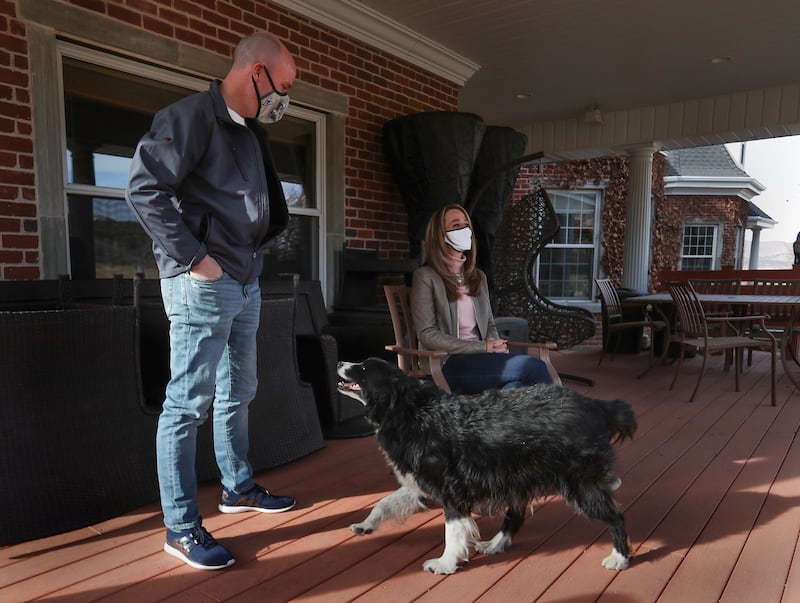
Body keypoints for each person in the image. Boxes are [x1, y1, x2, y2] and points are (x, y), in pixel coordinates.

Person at [126, 32, 297, 571]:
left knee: (238, 390)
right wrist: (197, 259)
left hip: (245, 280)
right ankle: (179, 526)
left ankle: (237, 488)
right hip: (204, 281)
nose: (285, 98)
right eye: (284, 86)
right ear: (256, 74)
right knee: (187, 403)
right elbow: (143, 188)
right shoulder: (192, 116)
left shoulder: (247, 130)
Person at [411, 204, 554, 394]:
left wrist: (495, 344)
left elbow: (488, 324)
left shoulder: (477, 277)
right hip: (446, 362)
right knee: (533, 368)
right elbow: (427, 334)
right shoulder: (426, 276)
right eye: (456, 225)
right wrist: (481, 347)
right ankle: (560, 422)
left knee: (516, 389)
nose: (465, 230)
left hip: (480, 357)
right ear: (440, 235)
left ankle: (505, 423)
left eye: (466, 225)